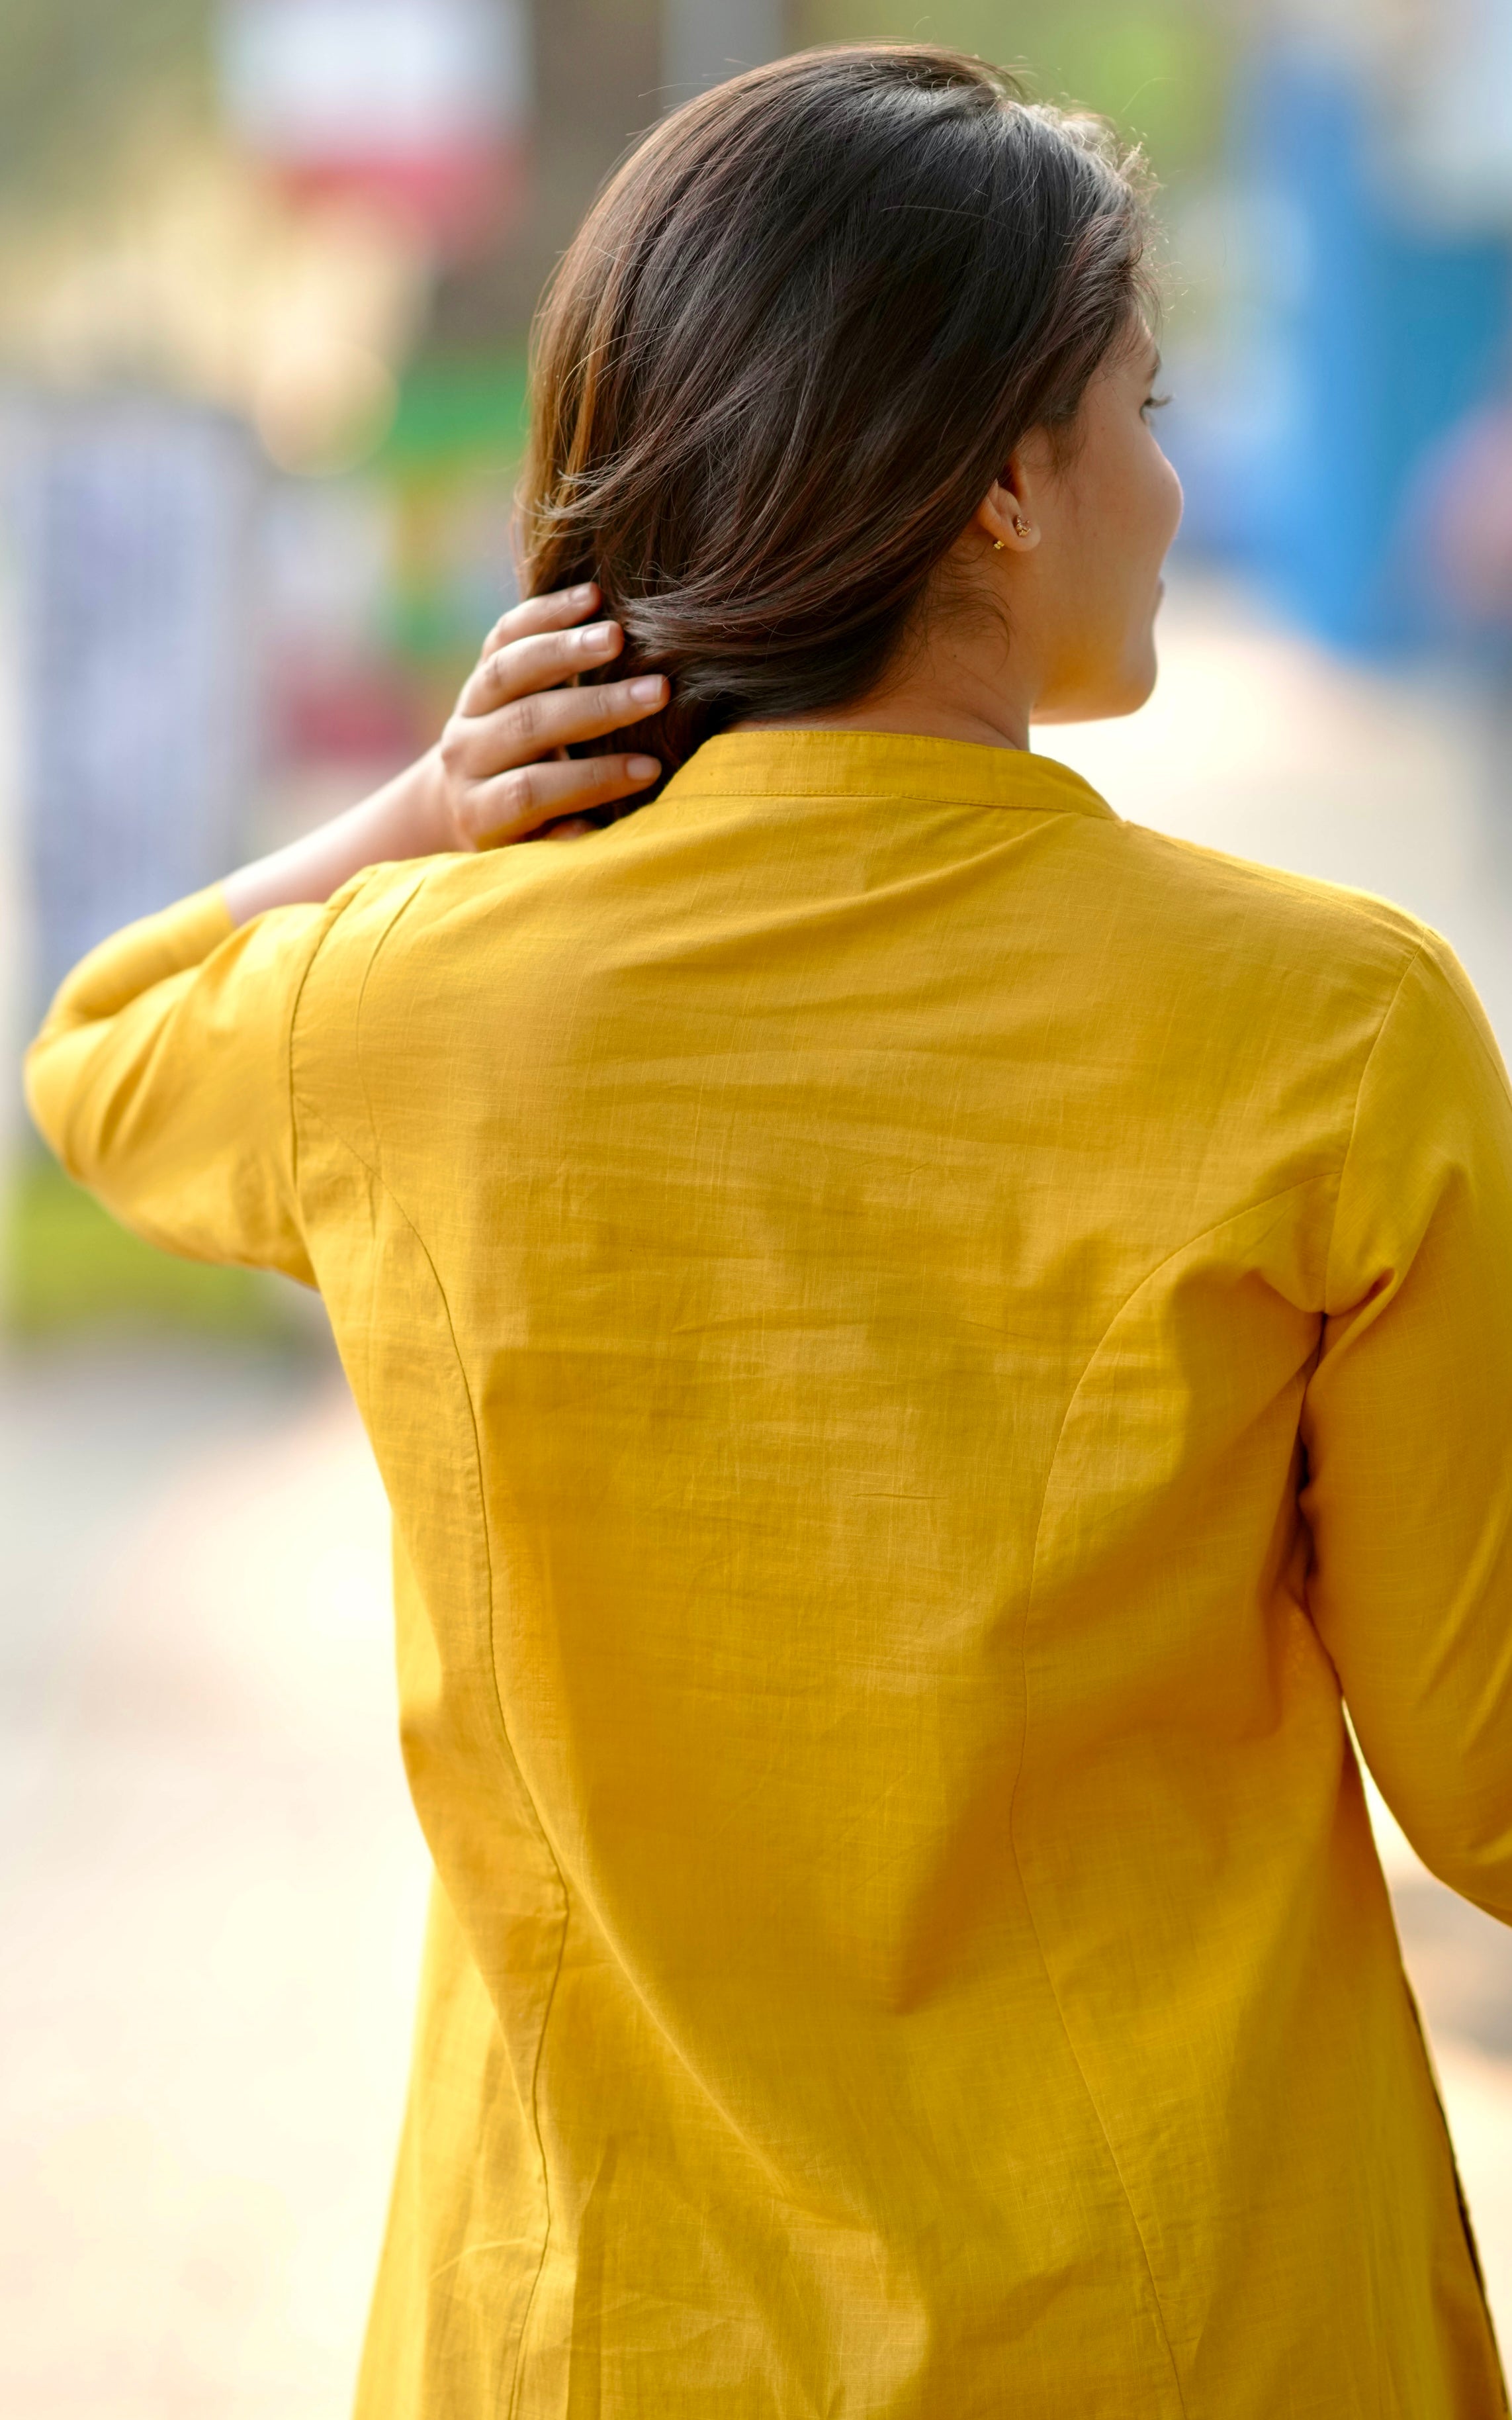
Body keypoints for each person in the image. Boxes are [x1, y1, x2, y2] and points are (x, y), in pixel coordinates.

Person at [25, 44, 1512, 2420]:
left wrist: (426, 806)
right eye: (1139, 399)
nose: (1177, 471)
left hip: (593, 2340)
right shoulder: (1329, 1029)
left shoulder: (415, 1016)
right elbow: (1500, 1785)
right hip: (1205, 2328)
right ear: (1007, 488)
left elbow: (100, 1047)